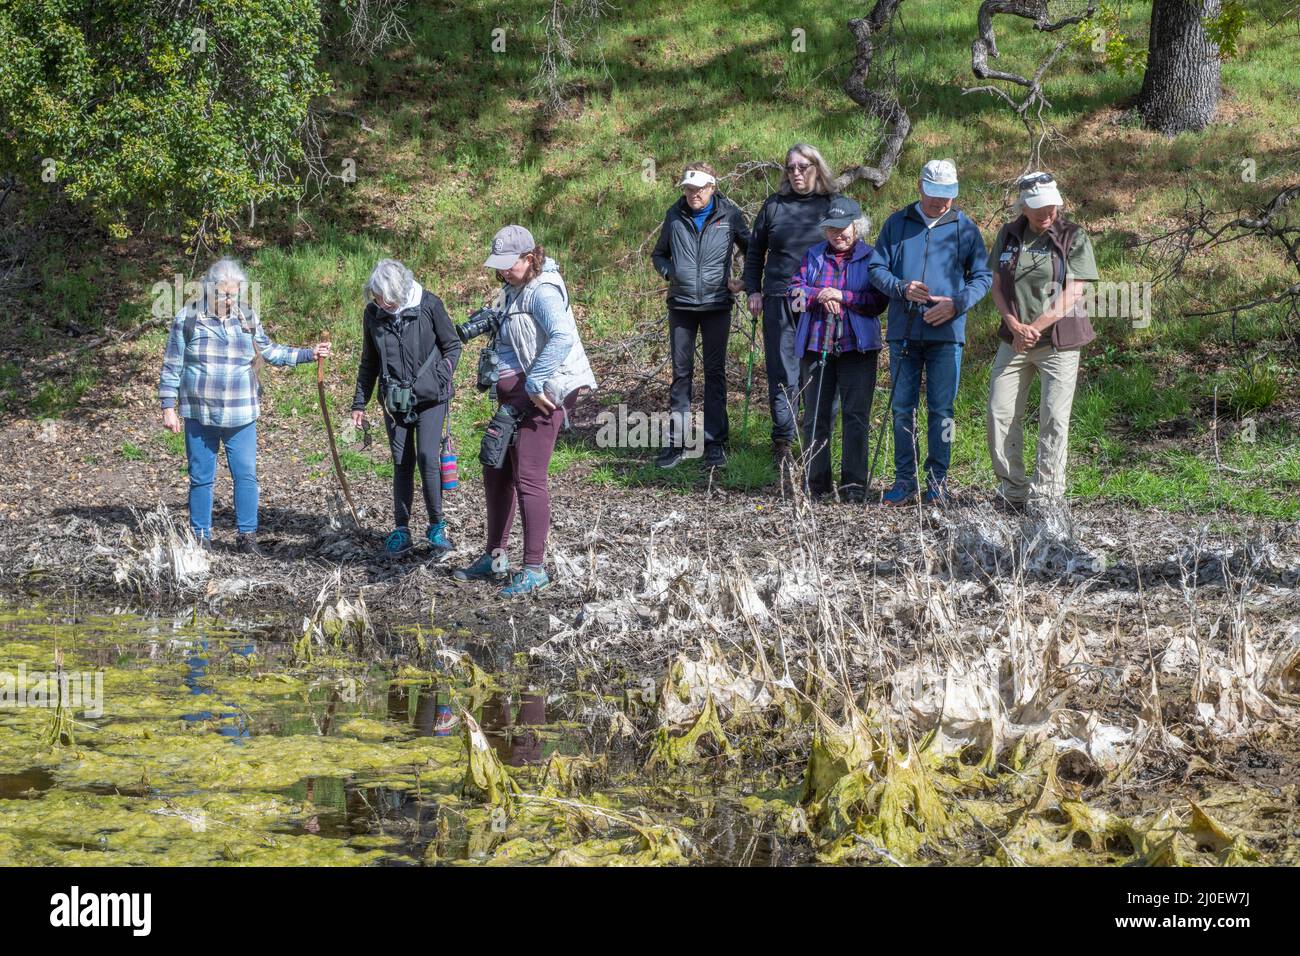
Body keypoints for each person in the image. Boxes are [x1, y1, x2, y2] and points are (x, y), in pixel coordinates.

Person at [453, 225, 597, 596]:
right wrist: (495, 366)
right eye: (497, 265)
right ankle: (496, 556)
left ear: (529, 257)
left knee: (529, 475)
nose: (502, 271)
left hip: (547, 390)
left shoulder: (543, 291)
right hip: (518, 393)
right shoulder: (512, 289)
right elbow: (508, 337)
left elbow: (562, 337)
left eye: (508, 264)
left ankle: (534, 568)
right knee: (496, 465)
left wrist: (533, 382)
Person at [158, 257, 330, 556]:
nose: (229, 299)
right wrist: (168, 406)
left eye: (234, 293)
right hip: (201, 412)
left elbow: (269, 350)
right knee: (201, 477)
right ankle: (201, 537)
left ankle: (247, 536)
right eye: (224, 293)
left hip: (241, 412)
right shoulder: (187, 319)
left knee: (246, 475)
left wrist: (307, 353)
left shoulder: (246, 318)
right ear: (209, 290)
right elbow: (172, 365)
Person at [868, 159, 992, 505]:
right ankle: (904, 480)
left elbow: (983, 277)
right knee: (901, 408)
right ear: (920, 187)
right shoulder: (897, 223)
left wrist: (957, 304)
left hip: (947, 334)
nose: (941, 202)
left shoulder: (965, 228)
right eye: (935, 194)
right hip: (903, 330)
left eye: (948, 195)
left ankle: (939, 481)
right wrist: (901, 287)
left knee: (943, 411)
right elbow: (876, 268)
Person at [985, 172, 1099, 510]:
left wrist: (1033, 327)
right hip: (1015, 340)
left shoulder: (1072, 236)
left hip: (1058, 342)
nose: (1046, 212)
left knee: (1053, 417)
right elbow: (996, 285)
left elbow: (1075, 290)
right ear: (1022, 207)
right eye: (1037, 207)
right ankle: (1013, 490)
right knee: (999, 411)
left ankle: (1048, 494)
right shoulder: (1008, 234)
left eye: (1051, 205)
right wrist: (1014, 325)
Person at [742, 143, 846, 480]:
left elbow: (849, 247)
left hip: (819, 300)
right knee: (782, 370)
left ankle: (817, 440)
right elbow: (755, 250)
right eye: (790, 168)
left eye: (803, 166)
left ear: (817, 167)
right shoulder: (774, 205)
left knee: (818, 370)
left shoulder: (832, 205)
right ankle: (783, 441)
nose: (796, 173)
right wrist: (753, 288)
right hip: (779, 298)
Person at [351, 259, 463, 558]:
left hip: (431, 397)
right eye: (376, 298)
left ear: (399, 292)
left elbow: (453, 345)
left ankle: (437, 526)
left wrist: (441, 375)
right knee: (402, 462)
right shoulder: (373, 314)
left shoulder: (429, 304)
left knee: (428, 458)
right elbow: (369, 361)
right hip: (395, 401)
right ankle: (401, 530)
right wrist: (359, 402)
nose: (381, 304)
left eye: (385, 299)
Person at [787, 197, 889, 502]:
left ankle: (853, 486)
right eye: (831, 228)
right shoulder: (813, 256)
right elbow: (793, 296)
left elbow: (878, 302)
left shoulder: (872, 257)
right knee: (817, 415)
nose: (837, 234)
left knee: (856, 416)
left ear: (857, 227)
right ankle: (816, 483)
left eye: (842, 228)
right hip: (816, 345)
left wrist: (842, 296)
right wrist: (819, 295)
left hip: (857, 349)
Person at [650, 162, 749, 469]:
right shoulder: (674, 214)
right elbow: (658, 254)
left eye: (698, 189)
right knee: (681, 376)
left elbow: (753, 250)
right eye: (688, 189)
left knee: (715, 374)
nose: (692, 194)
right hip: (680, 304)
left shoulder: (729, 215)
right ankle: (677, 443)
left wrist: (744, 279)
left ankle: (714, 443)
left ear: (712, 188)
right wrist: (671, 273)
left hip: (717, 304)